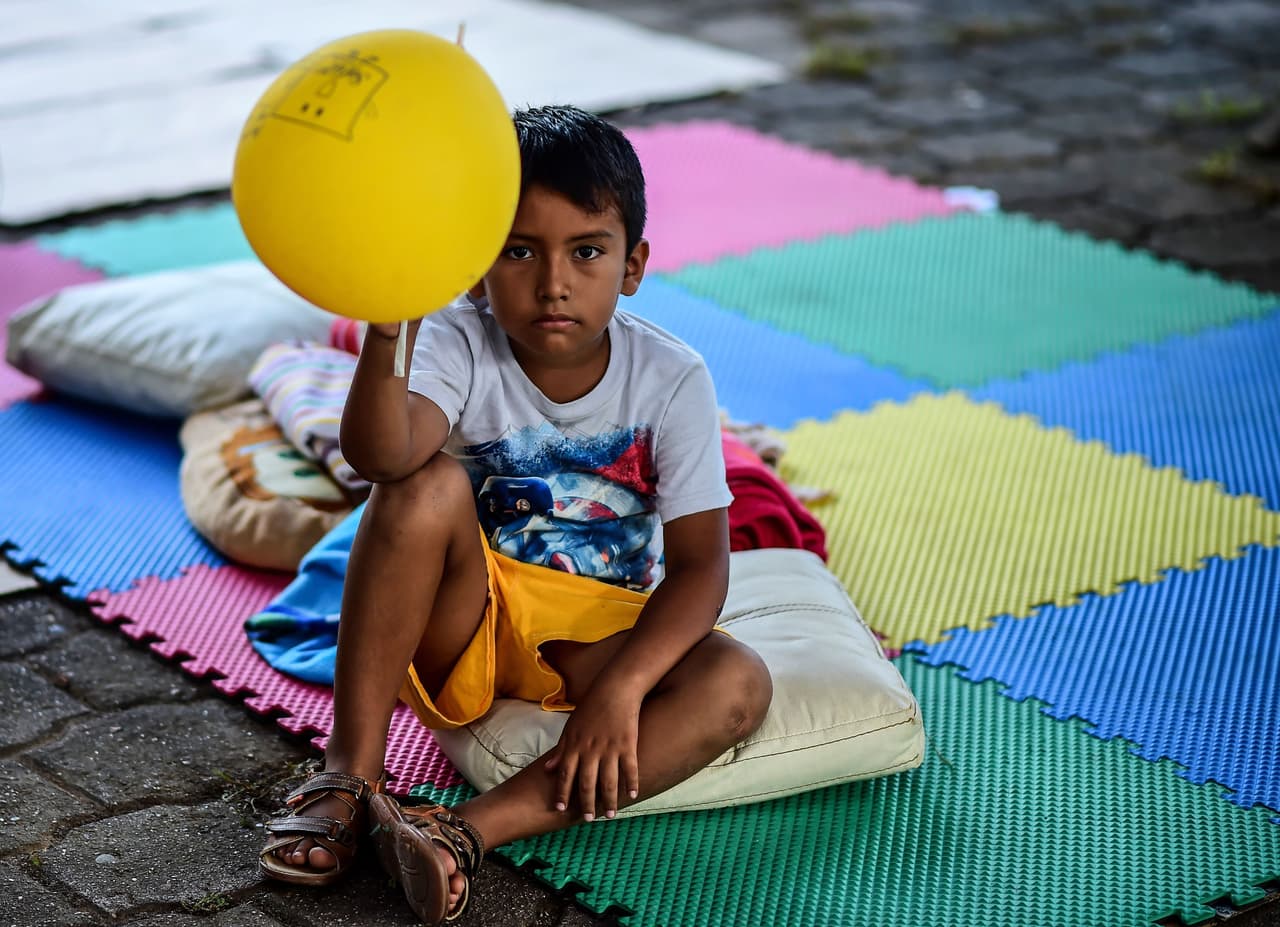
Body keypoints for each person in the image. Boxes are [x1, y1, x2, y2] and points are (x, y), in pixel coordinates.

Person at [257, 103, 774, 924]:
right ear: (475, 269)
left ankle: (460, 832)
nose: (553, 282)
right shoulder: (458, 336)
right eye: (519, 250)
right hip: (469, 617)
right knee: (420, 485)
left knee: (738, 681)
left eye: (587, 251)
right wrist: (390, 325)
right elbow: (382, 457)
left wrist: (624, 690)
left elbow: (703, 567)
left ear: (633, 265)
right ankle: (349, 771)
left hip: (598, 639)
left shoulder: (673, 376)